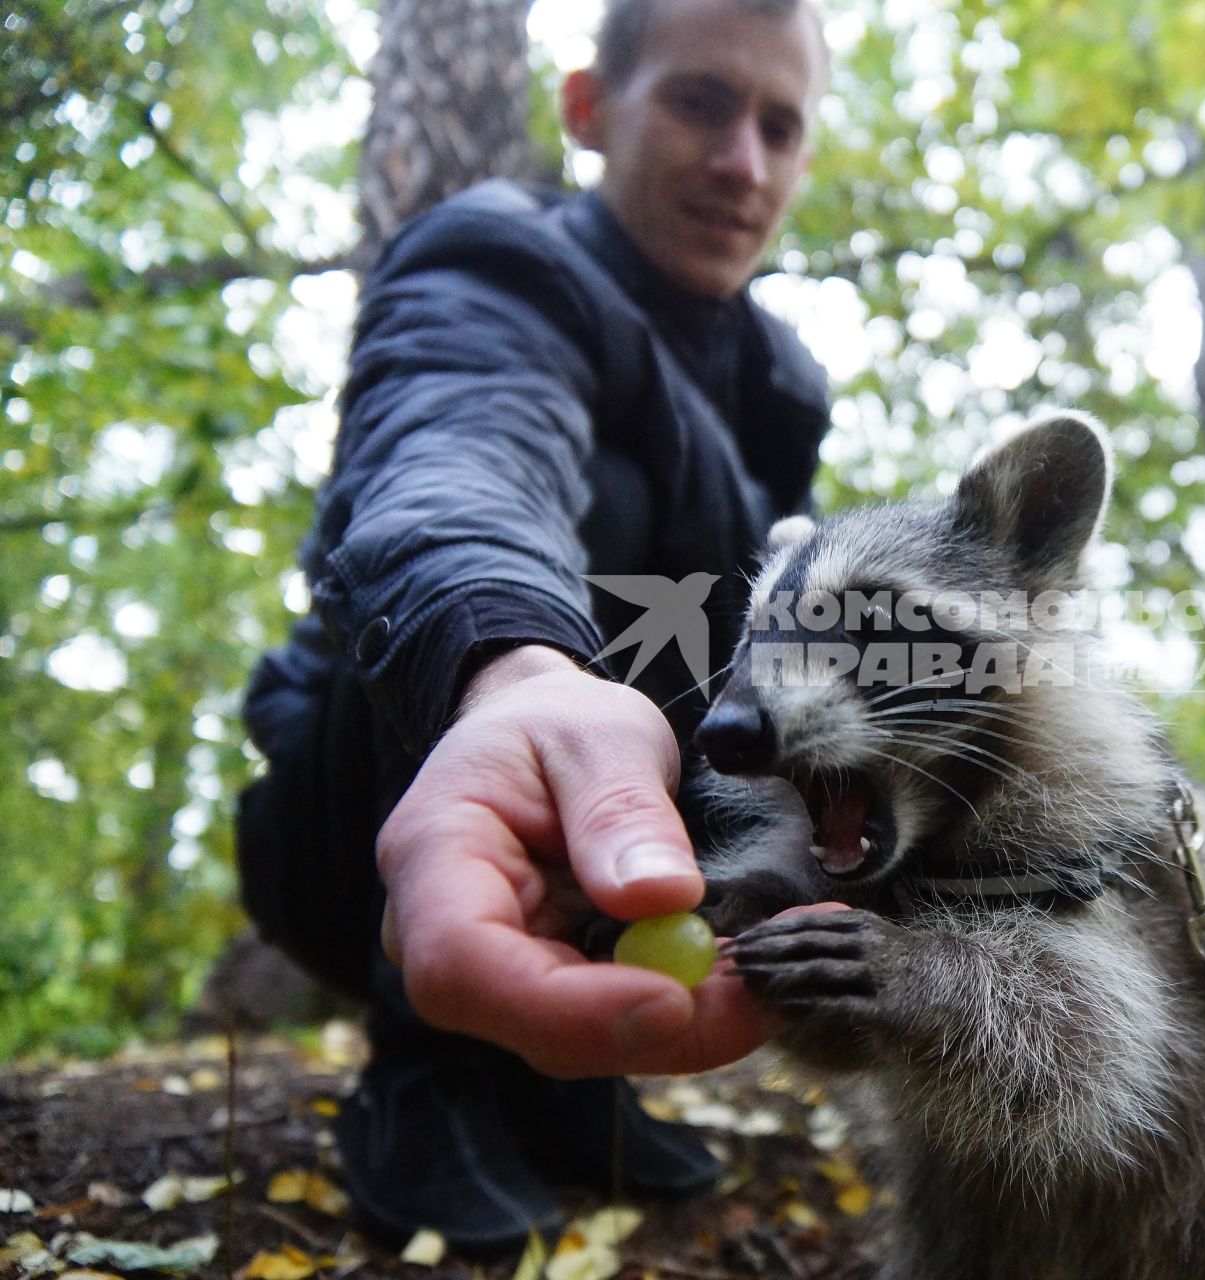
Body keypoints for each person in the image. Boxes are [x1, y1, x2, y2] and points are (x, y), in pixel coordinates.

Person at [236, 0, 832, 1255]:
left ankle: (568, 1069)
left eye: (781, 126)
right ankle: (426, 1071)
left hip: (625, 832)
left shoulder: (780, 386)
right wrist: (514, 668)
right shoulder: (496, 257)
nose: (744, 163)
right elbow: (459, 459)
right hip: (371, 823)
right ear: (585, 109)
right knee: (596, 520)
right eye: (699, 101)